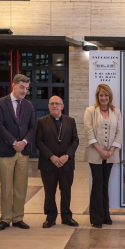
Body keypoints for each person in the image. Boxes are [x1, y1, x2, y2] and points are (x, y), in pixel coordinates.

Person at [0, 74, 37, 231]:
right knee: (6, 187)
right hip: (6, 151)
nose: (24, 91)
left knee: (21, 187)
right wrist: (13, 142)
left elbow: (32, 127)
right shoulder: (1, 103)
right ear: (14, 85)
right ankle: (5, 218)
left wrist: (24, 142)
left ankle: (18, 218)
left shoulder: (29, 105)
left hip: (23, 152)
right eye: (22, 87)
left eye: (27, 88)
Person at [36, 96, 80, 228]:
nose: (54, 106)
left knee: (66, 191)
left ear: (62, 106)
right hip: (48, 164)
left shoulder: (70, 121)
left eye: (57, 104)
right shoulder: (42, 121)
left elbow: (75, 140)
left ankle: (66, 217)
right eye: (52, 104)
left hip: (66, 164)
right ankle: (50, 217)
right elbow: (39, 141)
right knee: (49, 191)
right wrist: (51, 156)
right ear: (48, 106)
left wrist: (66, 156)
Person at [84, 84, 123, 228]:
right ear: (97, 96)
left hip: (111, 154)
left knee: (105, 183)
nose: (103, 98)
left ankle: (106, 215)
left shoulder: (116, 111)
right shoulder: (90, 111)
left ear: (110, 96)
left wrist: (111, 150)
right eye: (101, 95)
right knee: (97, 183)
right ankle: (96, 218)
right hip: (95, 152)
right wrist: (101, 151)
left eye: (106, 95)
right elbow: (89, 132)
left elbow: (119, 132)